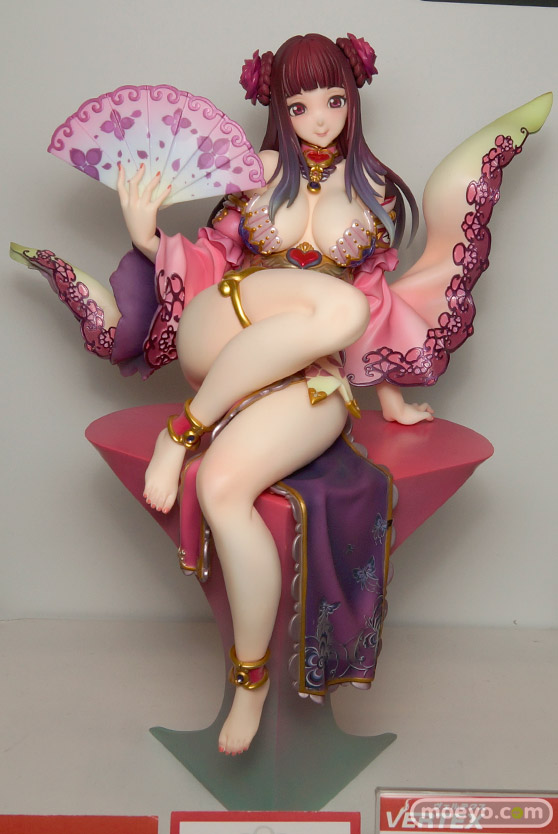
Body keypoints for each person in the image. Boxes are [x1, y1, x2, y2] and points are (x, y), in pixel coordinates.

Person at [10, 33, 551, 755]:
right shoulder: (257, 171)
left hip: (306, 373)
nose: (319, 119)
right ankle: (184, 428)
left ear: (353, 99)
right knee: (339, 305)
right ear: (277, 110)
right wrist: (147, 237)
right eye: (299, 106)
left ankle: (250, 680)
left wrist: (390, 400)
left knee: (225, 488)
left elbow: (375, 304)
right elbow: (211, 259)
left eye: (333, 101)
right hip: (225, 325)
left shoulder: (377, 193)